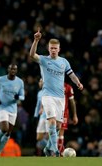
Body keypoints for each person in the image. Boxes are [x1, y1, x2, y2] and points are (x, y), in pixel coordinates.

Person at [29, 27, 83, 157]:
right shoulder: (43, 60)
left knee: (58, 126)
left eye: (55, 48)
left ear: (59, 49)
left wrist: (78, 83)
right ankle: (55, 150)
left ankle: (47, 148)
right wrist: (36, 41)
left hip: (60, 98)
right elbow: (32, 55)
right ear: (48, 49)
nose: (53, 50)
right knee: (52, 122)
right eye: (51, 48)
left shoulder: (64, 62)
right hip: (47, 96)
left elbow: (71, 75)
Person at [0, 64, 25, 157]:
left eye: (15, 69)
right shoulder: (0, 79)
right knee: (4, 129)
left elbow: (22, 96)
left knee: (8, 133)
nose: (13, 70)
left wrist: (18, 97)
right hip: (2, 107)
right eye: (11, 69)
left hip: (13, 109)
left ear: (16, 71)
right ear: (8, 69)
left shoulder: (20, 82)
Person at [58, 82, 78, 156]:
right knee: (52, 133)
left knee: (60, 133)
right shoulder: (52, 85)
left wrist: (74, 115)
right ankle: (54, 151)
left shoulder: (68, 87)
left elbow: (72, 101)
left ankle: (59, 153)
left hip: (63, 113)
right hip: (53, 112)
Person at [34, 78, 49, 156]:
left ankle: (51, 152)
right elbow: (38, 105)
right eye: (39, 81)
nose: (40, 83)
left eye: (41, 81)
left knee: (47, 136)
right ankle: (50, 148)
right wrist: (36, 115)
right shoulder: (39, 93)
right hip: (42, 117)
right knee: (39, 137)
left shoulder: (50, 92)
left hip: (49, 116)